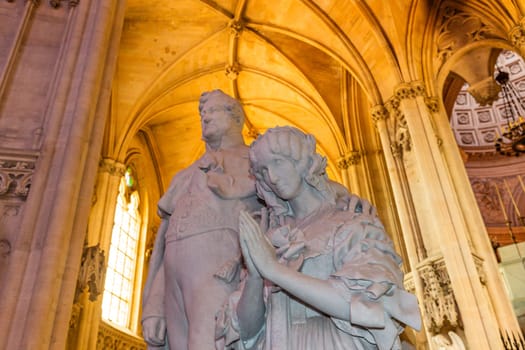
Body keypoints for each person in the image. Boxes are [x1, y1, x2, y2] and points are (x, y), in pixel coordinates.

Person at [215, 126, 421, 350]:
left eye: (277, 163)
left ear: (302, 161)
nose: (272, 177)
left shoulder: (350, 222)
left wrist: (273, 269)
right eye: (263, 171)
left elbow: (365, 305)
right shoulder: (272, 238)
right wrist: (256, 276)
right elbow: (247, 332)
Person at [141, 90, 261, 350]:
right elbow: (165, 248)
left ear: (236, 118)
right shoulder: (185, 175)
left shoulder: (258, 160)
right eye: (202, 113)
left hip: (222, 271)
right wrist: (155, 303)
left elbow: (305, 186)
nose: (205, 117)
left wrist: (345, 199)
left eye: (213, 111)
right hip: (175, 280)